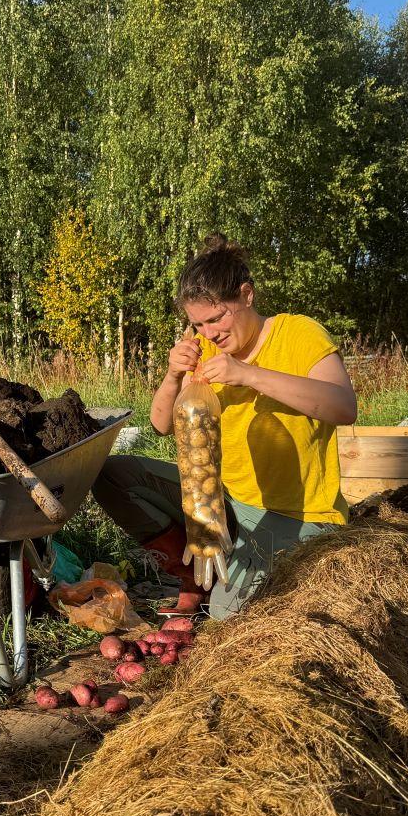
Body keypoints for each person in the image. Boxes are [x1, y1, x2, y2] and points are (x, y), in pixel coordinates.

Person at [93, 233, 358, 618]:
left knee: (226, 615)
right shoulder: (209, 351)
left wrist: (248, 374)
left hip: (298, 514)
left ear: (247, 295)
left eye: (216, 318)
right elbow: (161, 424)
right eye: (198, 324)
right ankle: (192, 575)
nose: (210, 332)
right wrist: (172, 375)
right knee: (114, 475)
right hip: (222, 503)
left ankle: (226, 577)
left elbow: (343, 407)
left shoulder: (298, 333)